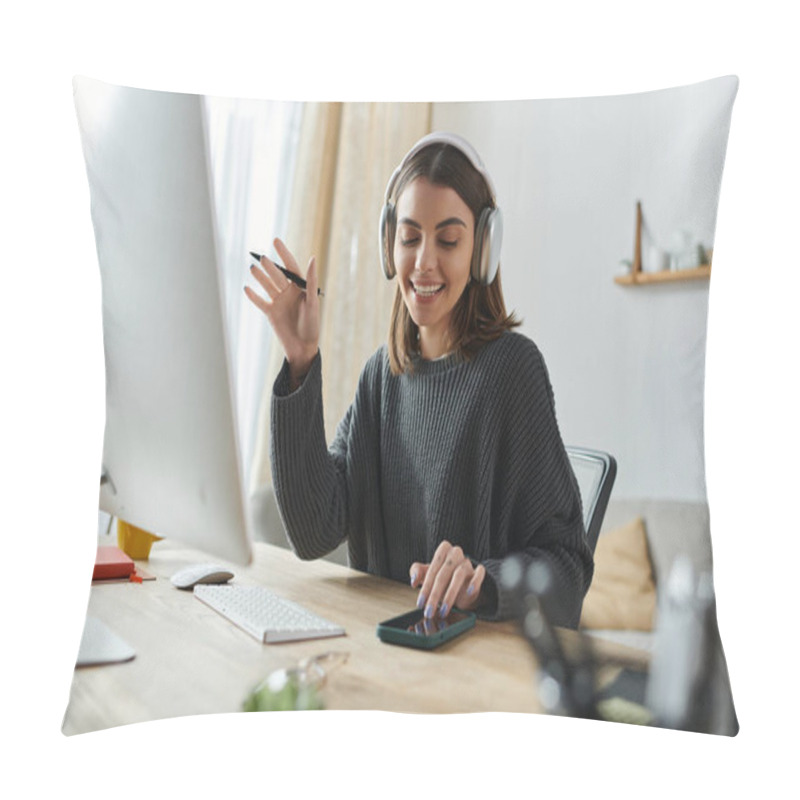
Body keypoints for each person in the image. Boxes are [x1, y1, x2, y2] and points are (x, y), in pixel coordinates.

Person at [244, 132, 593, 627]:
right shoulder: (380, 379)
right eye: (409, 238)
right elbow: (312, 530)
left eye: (448, 240)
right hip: (386, 654)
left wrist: (481, 582)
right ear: (390, 246)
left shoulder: (513, 372)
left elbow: (568, 572)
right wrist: (300, 361)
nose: (424, 261)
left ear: (482, 251)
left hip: (469, 672)